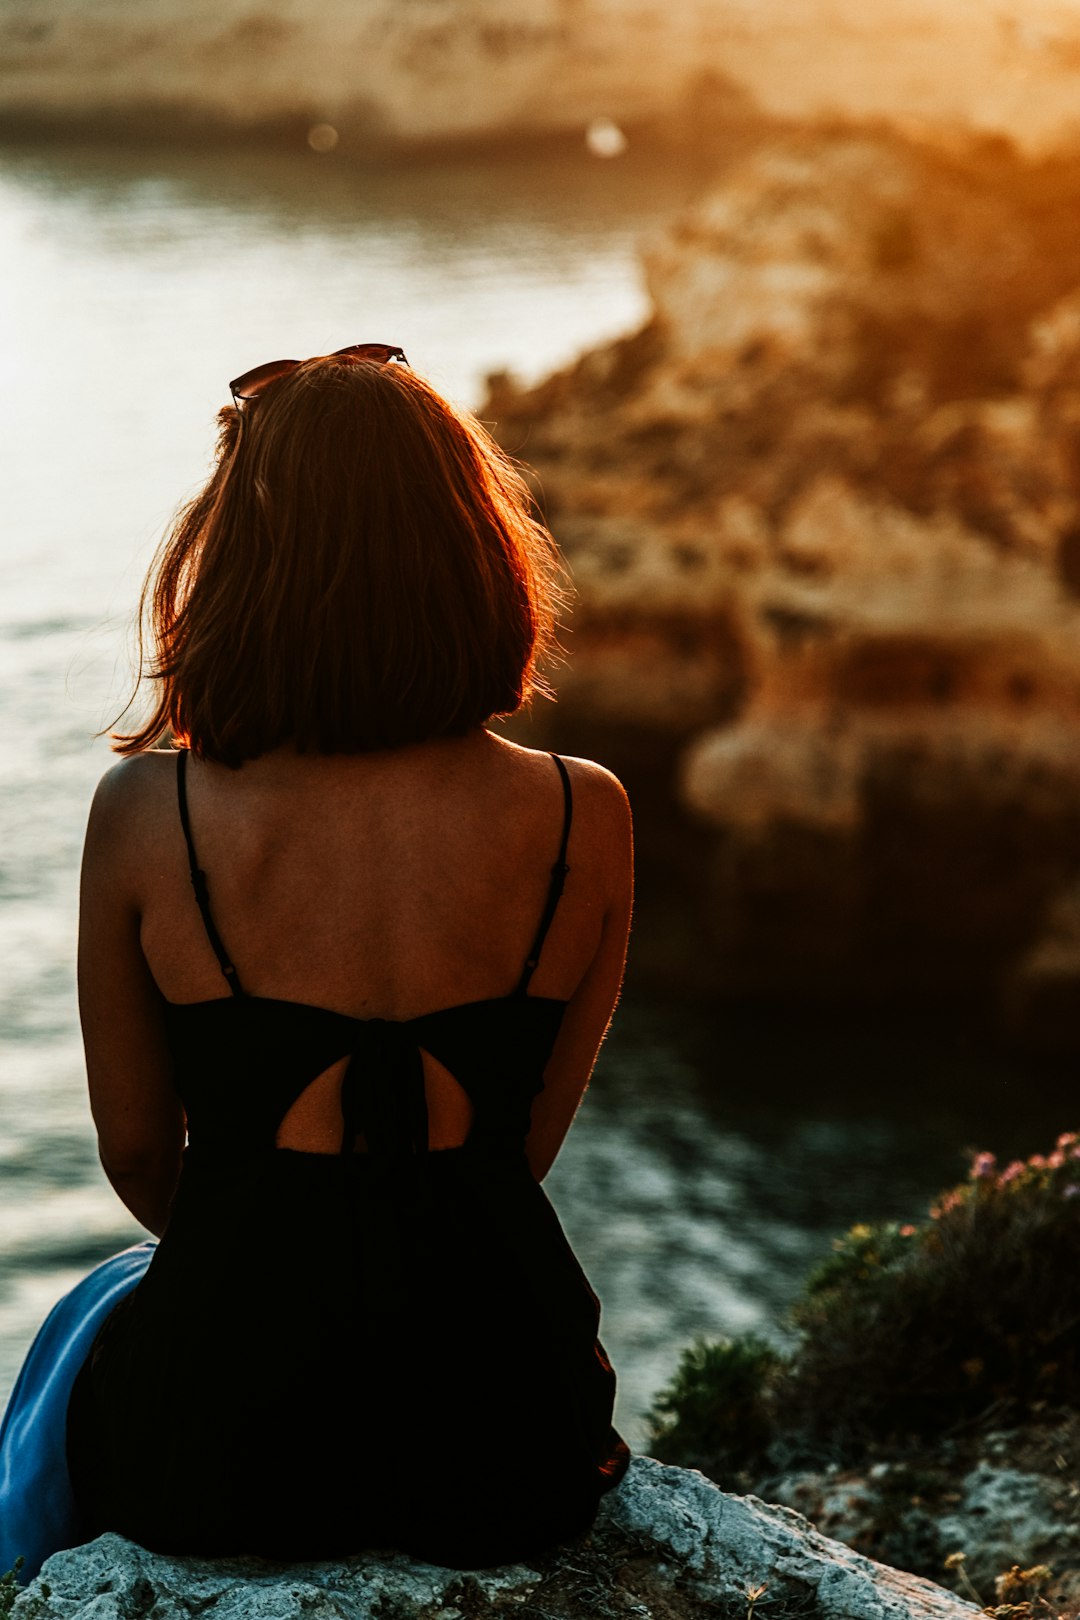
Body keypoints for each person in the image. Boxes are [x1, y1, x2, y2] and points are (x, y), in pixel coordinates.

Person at [59, 344, 633, 1566]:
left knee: (76, 1343)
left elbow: (141, 1155)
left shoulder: (146, 818)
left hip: (224, 1443)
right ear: (470, 550)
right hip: (511, 1436)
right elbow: (518, 1150)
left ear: (238, 562)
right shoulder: (588, 814)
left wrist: (261, 1244)